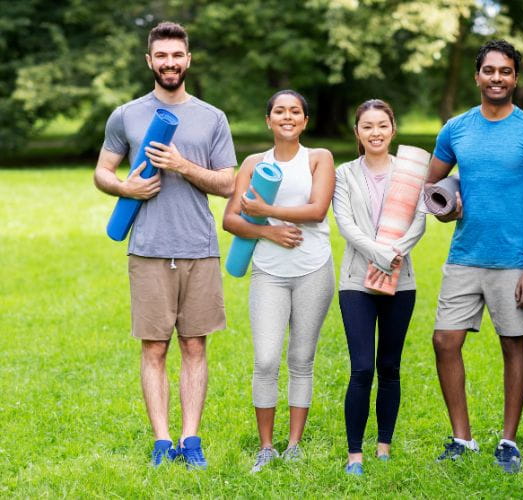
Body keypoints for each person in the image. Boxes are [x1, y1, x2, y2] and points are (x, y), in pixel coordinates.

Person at [93, 21, 236, 469]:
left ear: (188, 59)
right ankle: (161, 441)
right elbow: (102, 172)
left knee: (195, 345)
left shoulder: (212, 117)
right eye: (162, 56)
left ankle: (190, 440)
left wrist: (183, 165)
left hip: (199, 247)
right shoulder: (126, 115)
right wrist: (124, 190)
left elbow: (228, 182)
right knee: (154, 347)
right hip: (148, 248)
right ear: (149, 60)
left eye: (177, 55)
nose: (170, 63)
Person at [426, 40, 523, 473]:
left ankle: (508, 441)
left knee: (513, 344)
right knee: (445, 341)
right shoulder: (456, 128)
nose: (497, 77)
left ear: (515, 78)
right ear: (477, 76)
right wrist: (446, 206)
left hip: (515, 259)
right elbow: (431, 187)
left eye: (505, 71)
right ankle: (462, 438)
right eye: (489, 71)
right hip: (465, 254)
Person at [222, 90, 335, 473]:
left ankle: (295, 445)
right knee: (266, 359)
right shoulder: (254, 163)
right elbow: (231, 219)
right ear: (268, 120)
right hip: (269, 272)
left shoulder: (319, 158)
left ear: (305, 121)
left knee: (302, 358)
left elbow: (317, 211)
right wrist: (270, 232)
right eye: (279, 111)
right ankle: (266, 446)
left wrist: (266, 212)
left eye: (295, 112)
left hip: (313, 269)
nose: (288, 117)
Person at [332, 99, 426, 476]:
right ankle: (355, 453)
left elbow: (420, 220)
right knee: (361, 367)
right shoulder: (345, 174)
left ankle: (383, 445)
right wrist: (378, 252)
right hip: (356, 280)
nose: (375, 133)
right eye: (367, 126)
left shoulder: (411, 171)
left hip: (401, 280)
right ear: (358, 132)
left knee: (390, 366)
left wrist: (396, 251)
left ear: (393, 129)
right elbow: (345, 223)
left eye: (382, 125)